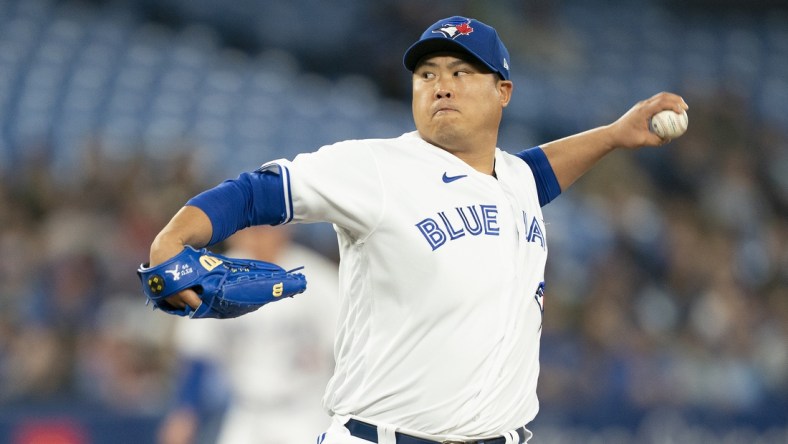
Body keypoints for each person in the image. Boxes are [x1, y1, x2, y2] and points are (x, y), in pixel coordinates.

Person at [145, 16, 688, 443]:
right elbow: (257, 191)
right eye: (428, 74)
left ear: (503, 91)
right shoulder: (377, 168)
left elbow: (537, 172)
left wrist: (615, 135)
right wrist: (171, 240)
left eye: (461, 72)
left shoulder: (515, 179)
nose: (441, 86)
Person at [157, 225, 339, 444]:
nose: (257, 236)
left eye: (266, 228)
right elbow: (199, 353)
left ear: (285, 230)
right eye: (249, 228)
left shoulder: (319, 280)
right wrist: (184, 412)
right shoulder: (213, 279)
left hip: (305, 412)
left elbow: (348, 354)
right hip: (247, 412)